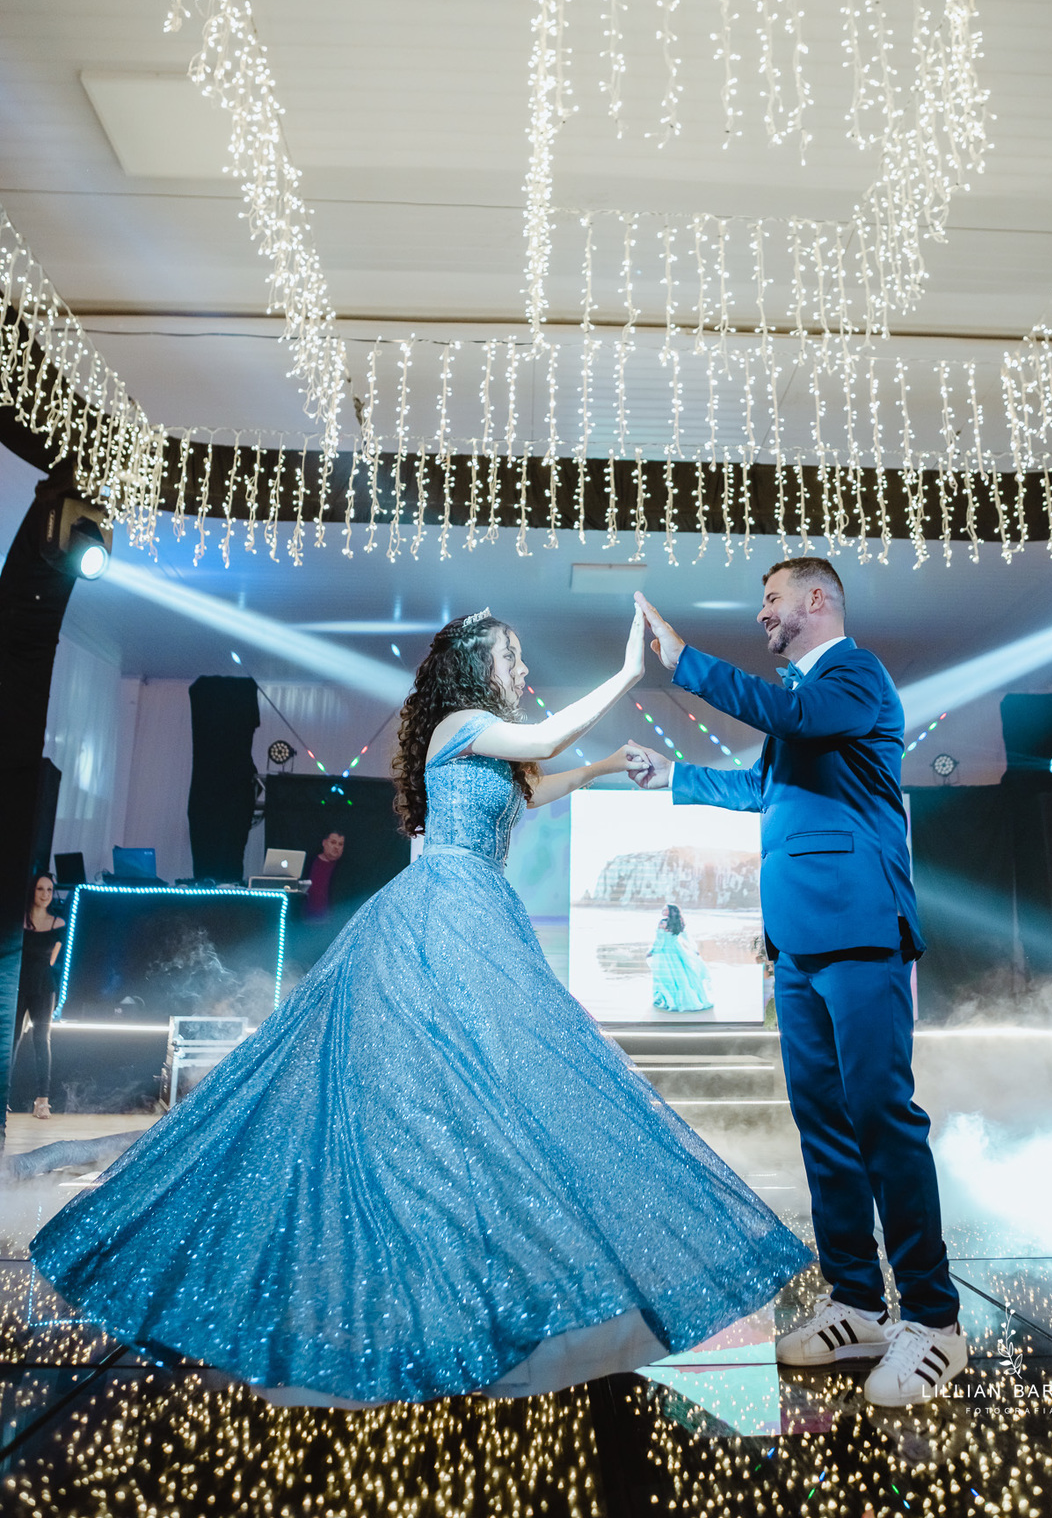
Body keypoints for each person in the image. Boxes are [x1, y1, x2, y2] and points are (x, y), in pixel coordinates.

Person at [30, 607, 809, 1406]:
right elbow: (541, 744)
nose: (523, 670)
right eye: (512, 656)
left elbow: (540, 784)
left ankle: (471, 1269)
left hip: (477, 909)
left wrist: (612, 763)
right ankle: (424, 1274)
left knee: (475, 1087)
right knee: (447, 1088)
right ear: (476, 666)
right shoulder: (461, 722)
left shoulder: (490, 743)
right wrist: (624, 676)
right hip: (444, 909)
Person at [632, 563, 967, 1409]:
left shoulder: (851, 676)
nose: (762, 612)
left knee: (881, 1118)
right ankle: (857, 1301)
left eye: (773, 599)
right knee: (823, 1124)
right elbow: (763, 788)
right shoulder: (802, 707)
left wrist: (684, 659)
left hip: (858, 928)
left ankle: (933, 1320)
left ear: (818, 601)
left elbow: (788, 715)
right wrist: (671, 777)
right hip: (799, 944)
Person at [11, 873, 66, 1119]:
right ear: (32, 891)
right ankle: (3, 1099)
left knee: (42, 1040)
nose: (45, 894)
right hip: (18, 985)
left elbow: (53, 960)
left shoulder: (58, 925)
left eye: (49, 890)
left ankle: (42, 1101)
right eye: (40, 889)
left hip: (44, 986)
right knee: (10, 1042)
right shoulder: (18, 921)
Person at [647, 903, 714, 1013]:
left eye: (665, 909)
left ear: (670, 912)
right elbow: (686, 937)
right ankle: (685, 1000)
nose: (663, 910)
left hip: (665, 951)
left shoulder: (662, 922)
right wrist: (694, 950)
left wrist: (652, 951)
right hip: (677, 950)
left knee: (665, 977)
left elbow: (659, 940)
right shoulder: (679, 922)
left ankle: (669, 1001)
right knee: (682, 976)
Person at [304, 829, 345, 918]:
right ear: (324, 843)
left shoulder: (346, 870)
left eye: (340, 844)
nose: (336, 847)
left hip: (333, 924)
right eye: (333, 842)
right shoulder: (308, 863)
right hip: (304, 922)